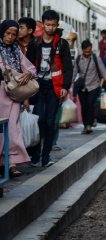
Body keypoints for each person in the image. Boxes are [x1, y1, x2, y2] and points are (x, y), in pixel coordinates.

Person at [26, 10, 73, 167]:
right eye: (48, 24)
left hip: (55, 87)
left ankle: (45, 157)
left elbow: (68, 68)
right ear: (43, 23)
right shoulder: (35, 43)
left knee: (51, 121)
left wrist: (65, 87)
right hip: (38, 87)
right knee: (39, 120)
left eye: (53, 25)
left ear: (57, 25)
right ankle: (35, 155)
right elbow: (28, 64)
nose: (51, 28)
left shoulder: (62, 44)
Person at [0, 20, 37, 177]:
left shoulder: (16, 49)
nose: (9, 37)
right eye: (7, 33)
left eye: (13, 34)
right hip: (1, 92)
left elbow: (30, 67)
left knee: (13, 130)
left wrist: (28, 73)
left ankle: (11, 163)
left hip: (14, 94)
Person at [73, 39, 106, 134]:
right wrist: (69, 86)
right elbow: (74, 73)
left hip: (94, 86)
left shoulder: (95, 58)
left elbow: (103, 70)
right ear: (82, 50)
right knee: (84, 106)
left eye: (89, 51)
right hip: (82, 87)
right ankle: (85, 125)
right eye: (86, 51)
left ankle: (89, 125)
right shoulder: (78, 59)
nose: (87, 53)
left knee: (90, 104)